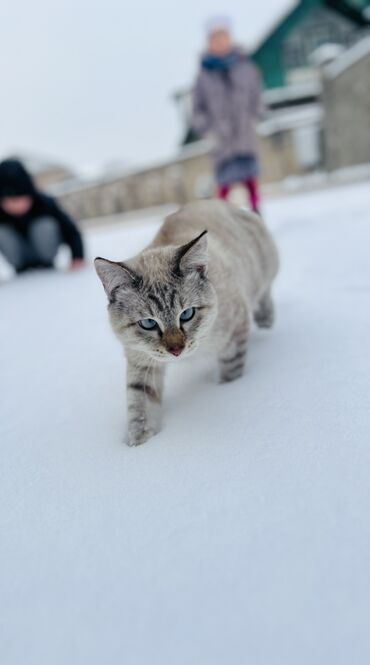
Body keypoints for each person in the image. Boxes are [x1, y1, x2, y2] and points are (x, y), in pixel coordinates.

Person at [192, 16, 263, 212]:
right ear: (209, 42)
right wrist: (207, 130)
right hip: (221, 139)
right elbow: (197, 109)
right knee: (224, 184)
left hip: (244, 134)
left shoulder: (246, 68)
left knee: (251, 180)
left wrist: (256, 116)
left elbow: (256, 96)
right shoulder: (203, 77)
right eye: (215, 38)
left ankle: (257, 215)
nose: (220, 42)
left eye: (223, 37)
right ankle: (223, 220)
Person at [0, 158, 84, 274]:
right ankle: (22, 267)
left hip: (45, 256)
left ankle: (45, 262)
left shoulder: (44, 203)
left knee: (45, 225)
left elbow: (71, 231)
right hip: (19, 260)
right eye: (8, 201)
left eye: (19, 198)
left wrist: (77, 257)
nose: (15, 205)